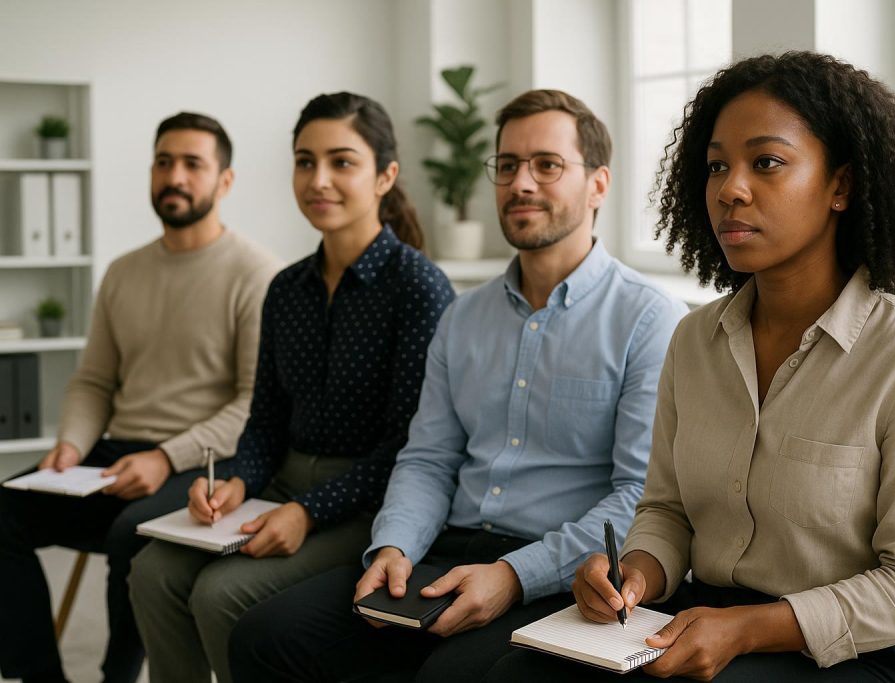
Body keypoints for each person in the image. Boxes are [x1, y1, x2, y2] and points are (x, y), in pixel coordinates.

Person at [484, 52, 895, 683]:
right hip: (704, 618)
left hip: (852, 653)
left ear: (841, 186)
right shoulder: (695, 340)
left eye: (766, 162)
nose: (729, 189)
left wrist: (751, 628)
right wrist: (635, 573)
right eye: (717, 166)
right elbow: (666, 510)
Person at [228, 88, 687, 683]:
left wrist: (515, 575)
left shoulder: (650, 319)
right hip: (444, 548)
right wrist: (394, 548)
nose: (521, 183)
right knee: (264, 638)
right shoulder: (462, 317)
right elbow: (427, 459)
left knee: (448, 676)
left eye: (547, 165)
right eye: (507, 165)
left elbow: (640, 498)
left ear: (598, 184)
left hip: (561, 572)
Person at [127, 91, 455, 683]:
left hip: (367, 503)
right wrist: (235, 482)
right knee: (152, 571)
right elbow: (265, 421)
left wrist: (307, 511)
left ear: (386, 176)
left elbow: (407, 449)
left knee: (219, 592)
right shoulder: (286, 288)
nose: (318, 179)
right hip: (278, 486)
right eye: (305, 161)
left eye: (341, 162)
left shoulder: (420, 290)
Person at [0, 112, 278, 683]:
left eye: (191, 164)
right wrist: (71, 447)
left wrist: (165, 458)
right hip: (112, 456)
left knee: (133, 532)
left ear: (224, 181)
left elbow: (254, 403)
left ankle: (115, 678)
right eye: (163, 161)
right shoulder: (123, 272)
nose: (173, 175)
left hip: (202, 464)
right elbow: (94, 380)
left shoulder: (259, 275)